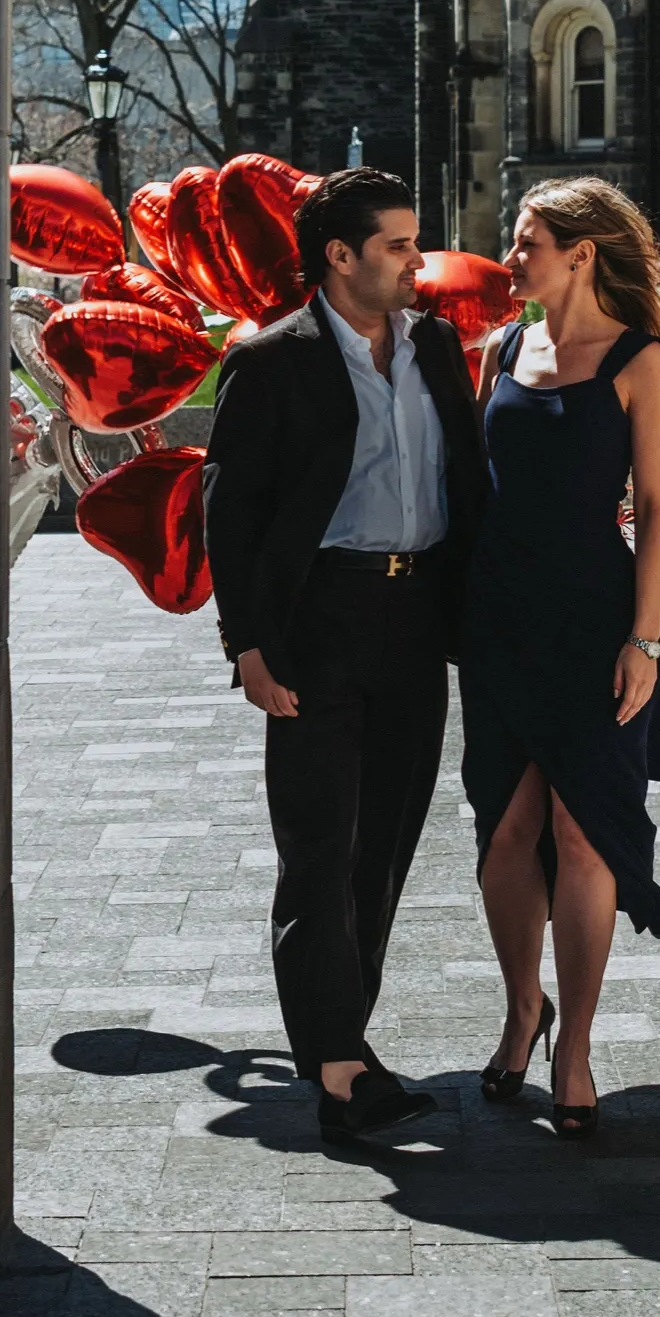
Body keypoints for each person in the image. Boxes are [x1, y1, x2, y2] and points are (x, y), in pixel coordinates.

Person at [202, 168, 487, 1145]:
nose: (417, 258)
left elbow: (471, 483)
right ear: (339, 254)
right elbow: (229, 512)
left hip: (418, 619)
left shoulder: (440, 347)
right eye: (398, 244)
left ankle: (341, 1043)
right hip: (322, 617)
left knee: (386, 848)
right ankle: (336, 1065)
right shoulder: (272, 361)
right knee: (318, 845)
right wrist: (245, 641)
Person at [460, 177, 660, 1141]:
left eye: (525, 242)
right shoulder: (501, 349)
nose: (508, 257)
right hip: (500, 620)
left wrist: (646, 640)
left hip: (598, 619)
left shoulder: (640, 361)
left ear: (580, 253)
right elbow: (476, 490)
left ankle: (576, 1047)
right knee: (507, 828)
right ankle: (525, 1011)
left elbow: (655, 514)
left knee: (585, 827)